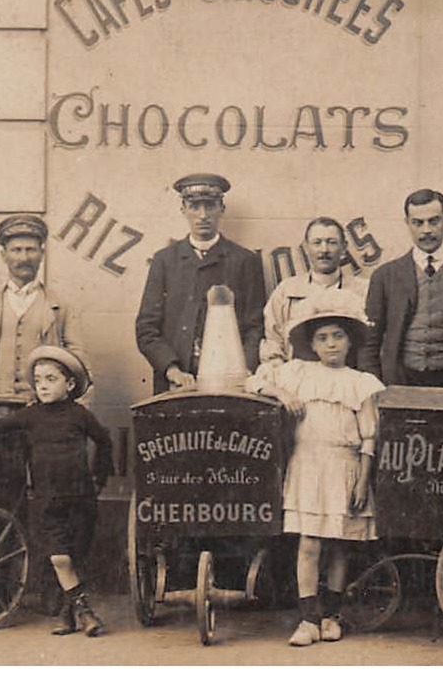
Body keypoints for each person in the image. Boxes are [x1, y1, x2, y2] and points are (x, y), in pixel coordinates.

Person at [0, 346, 112, 637]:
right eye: (38, 379)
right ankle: (87, 612)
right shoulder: (31, 416)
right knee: (59, 558)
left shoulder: (80, 416)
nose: (42, 385)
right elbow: (0, 426)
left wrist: (100, 479)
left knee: (75, 557)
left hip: (81, 499)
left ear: (69, 385)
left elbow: (105, 442)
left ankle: (67, 615)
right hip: (47, 501)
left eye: (51, 379)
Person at [246, 291, 384, 647]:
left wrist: (363, 481)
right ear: (312, 344)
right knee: (309, 544)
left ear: (350, 340)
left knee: (339, 544)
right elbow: (254, 381)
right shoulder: (298, 374)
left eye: (338, 336)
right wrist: (281, 393)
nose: (331, 344)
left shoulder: (361, 383)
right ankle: (307, 619)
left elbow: (369, 436)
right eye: (322, 338)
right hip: (307, 465)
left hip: (346, 467)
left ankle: (331, 616)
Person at [135, 173, 267, 393]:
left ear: (221, 209)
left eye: (210, 206)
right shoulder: (165, 261)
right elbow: (146, 328)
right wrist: (172, 369)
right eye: (195, 207)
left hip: (229, 382)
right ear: (183, 210)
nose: (203, 215)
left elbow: (256, 326)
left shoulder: (245, 261)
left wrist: (243, 369)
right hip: (175, 382)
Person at [362, 189, 443, 386]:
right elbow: (369, 341)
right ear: (407, 222)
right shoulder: (385, 276)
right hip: (402, 379)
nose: (426, 230)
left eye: (434, 221)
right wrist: (373, 384)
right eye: (418, 223)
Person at [0, 214, 81, 411]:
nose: (24, 258)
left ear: (42, 254)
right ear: (4, 256)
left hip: (42, 414)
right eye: (16, 250)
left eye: (31, 250)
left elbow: (79, 365)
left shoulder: (60, 306)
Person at [260, 216, 369, 369]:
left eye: (331, 242)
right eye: (317, 243)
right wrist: (278, 369)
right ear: (306, 248)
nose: (324, 250)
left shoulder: (364, 291)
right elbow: (273, 339)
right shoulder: (287, 291)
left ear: (344, 247)